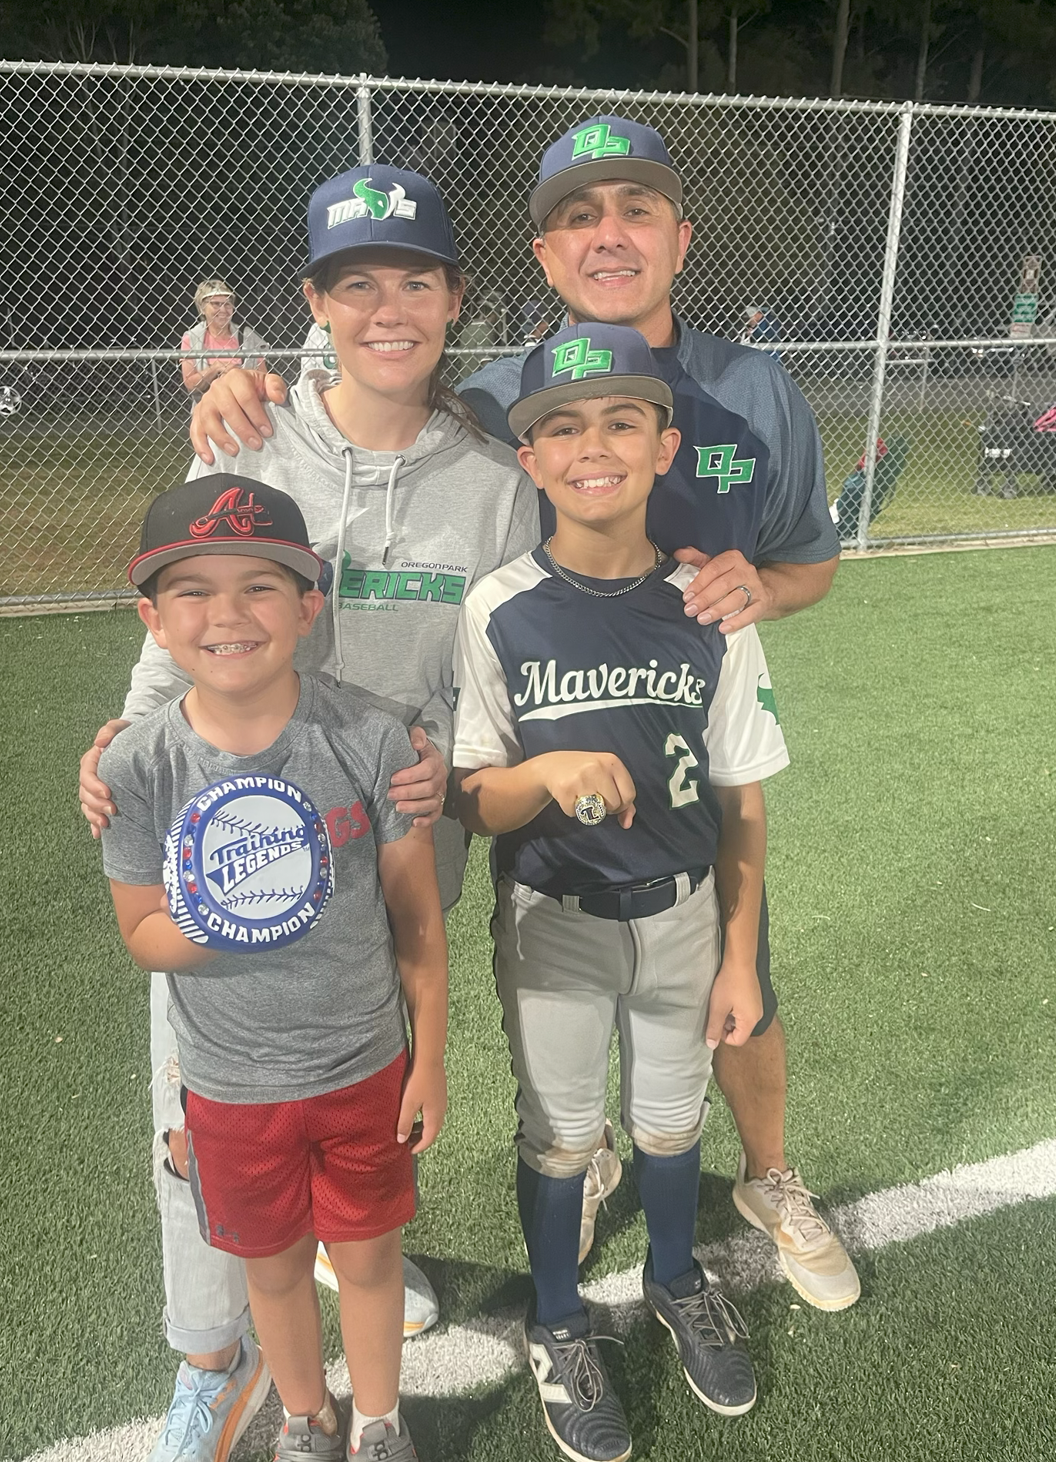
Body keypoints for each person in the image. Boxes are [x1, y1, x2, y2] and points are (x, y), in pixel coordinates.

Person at [200, 116, 854, 1310]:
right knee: (547, 968)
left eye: (637, 211)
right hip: (537, 752)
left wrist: (764, 587)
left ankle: (768, 1173)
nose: (610, 236)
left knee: (733, 978)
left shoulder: (757, 387)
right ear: (544, 255)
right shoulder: (497, 402)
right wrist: (249, 387)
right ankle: (580, 1149)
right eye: (578, 219)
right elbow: (376, 393)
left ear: (679, 236)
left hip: (694, 732)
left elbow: (812, 560)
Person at [78, 164, 538, 1462]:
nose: (386, 309)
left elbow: (483, 677)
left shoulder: (498, 486)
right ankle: (213, 1363)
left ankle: (354, 1277)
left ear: (454, 298)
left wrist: (436, 760)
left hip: (387, 847)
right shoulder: (246, 433)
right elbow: (182, 626)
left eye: (414, 280)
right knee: (199, 1107)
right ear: (313, 303)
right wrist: (126, 739)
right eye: (355, 284)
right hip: (227, 850)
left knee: (360, 1089)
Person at [452, 324, 788, 1462]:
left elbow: (742, 800)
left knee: (671, 1115)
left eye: (620, 420)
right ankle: (555, 1318)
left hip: (688, 914)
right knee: (558, 1135)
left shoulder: (710, 605)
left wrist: (742, 955)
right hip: (554, 919)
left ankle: (678, 1276)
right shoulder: (498, 603)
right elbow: (474, 798)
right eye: (561, 427)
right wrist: (538, 776)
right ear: (531, 459)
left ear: (662, 445)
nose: (592, 444)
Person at [100, 476, 446, 1462]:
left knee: (371, 1257)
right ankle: (306, 1415)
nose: (228, 614)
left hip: (363, 1065)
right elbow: (141, 934)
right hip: (231, 1082)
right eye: (193, 592)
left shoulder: (374, 739)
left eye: (260, 586)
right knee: (276, 1266)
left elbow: (417, 915)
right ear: (154, 620)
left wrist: (431, 1056)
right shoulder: (139, 767)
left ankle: (378, 1418)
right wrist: (228, 920)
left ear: (307, 605)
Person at [180, 281, 266, 400]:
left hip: (244, 402)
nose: (223, 310)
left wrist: (237, 373)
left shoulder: (247, 335)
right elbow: (190, 384)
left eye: (228, 304)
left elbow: (263, 377)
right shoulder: (191, 338)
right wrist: (216, 368)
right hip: (208, 406)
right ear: (202, 308)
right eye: (216, 304)